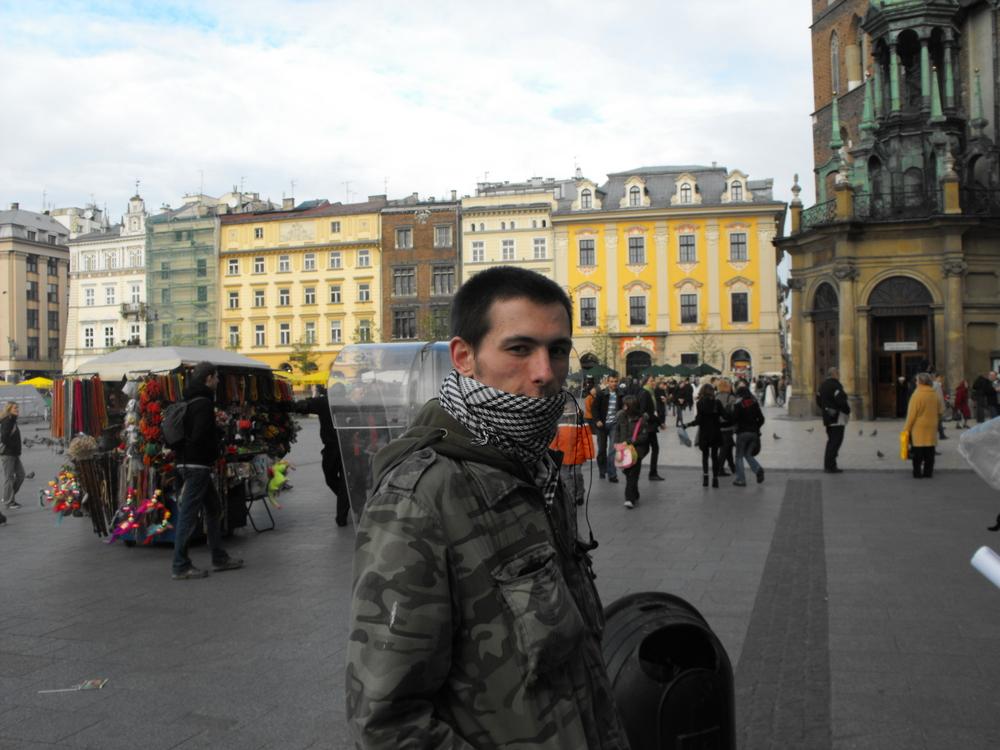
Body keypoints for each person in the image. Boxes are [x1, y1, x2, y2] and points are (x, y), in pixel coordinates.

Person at [345, 266, 629, 748]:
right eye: (519, 349)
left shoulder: (531, 464)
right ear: (464, 357)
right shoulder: (420, 498)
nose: (544, 372)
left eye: (558, 350)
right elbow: (386, 724)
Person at [171, 363, 244, 580]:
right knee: (188, 514)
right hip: (197, 465)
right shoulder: (203, 403)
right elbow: (200, 434)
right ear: (208, 378)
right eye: (216, 377)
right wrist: (217, 436)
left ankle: (219, 557)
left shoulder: (188, 399)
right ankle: (180, 565)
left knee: (213, 508)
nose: (218, 381)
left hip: (186, 463)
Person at [293, 386, 351, 526]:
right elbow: (304, 407)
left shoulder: (325, 402)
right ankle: (346, 500)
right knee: (335, 479)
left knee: (335, 478)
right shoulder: (334, 403)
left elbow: (302, 407)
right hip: (339, 446)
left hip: (338, 446)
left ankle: (342, 513)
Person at [685, 384, 728, 488]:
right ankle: (715, 479)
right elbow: (726, 416)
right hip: (716, 433)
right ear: (712, 392)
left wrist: (687, 425)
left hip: (704, 433)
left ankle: (705, 478)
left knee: (705, 456)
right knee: (714, 456)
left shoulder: (700, 403)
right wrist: (726, 422)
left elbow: (698, 420)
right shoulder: (717, 403)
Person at [903, 372, 944, 479]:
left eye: (917, 380)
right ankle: (928, 472)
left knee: (918, 452)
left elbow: (911, 415)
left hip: (919, 428)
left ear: (921, 382)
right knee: (930, 451)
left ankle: (917, 473)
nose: (916, 382)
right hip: (932, 427)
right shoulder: (934, 394)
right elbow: (940, 411)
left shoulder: (916, 395)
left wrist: (906, 429)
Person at [614, 394, 650, 510]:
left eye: (626, 405)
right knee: (627, 472)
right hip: (623, 449)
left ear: (632, 406)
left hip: (637, 450)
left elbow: (644, 437)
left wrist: (628, 441)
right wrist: (616, 443)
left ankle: (629, 499)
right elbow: (617, 430)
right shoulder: (621, 416)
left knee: (632, 474)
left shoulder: (642, 419)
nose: (623, 407)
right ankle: (635, 492)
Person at [731, 382, 766, 486]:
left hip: (742, 433)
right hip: (754, 434)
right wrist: (756, 427)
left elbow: (734, 419)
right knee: (747, 454)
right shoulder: (754, 403)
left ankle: (741, 479)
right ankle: (758, 469)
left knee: (739, 456)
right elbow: (762, 419)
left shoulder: (738, 404)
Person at [817, 367, 850, 473]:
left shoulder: (822, 385)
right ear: (834, 374)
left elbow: (818, 400)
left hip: (827, 418)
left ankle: (829, 465)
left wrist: (825, 409)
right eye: (838, 373)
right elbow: (841, 401)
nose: (839, 375)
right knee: (835, 442)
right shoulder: (836, 385)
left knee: (831, 441)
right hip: (837, 419)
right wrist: (847, 411)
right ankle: (830, 466)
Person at [0, 401, 30, 517]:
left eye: (17, 408)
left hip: (14, 454)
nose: (17, 409)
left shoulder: (12, 420)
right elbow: (4, 438)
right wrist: (13, 447)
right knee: (9, 478)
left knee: (21, 475)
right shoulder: (7, 421)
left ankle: (8, 496)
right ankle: (8, 501)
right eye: (15, 408)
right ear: (9, 409)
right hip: (8, 454)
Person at [593, 375, 621, 483]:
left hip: (614, 425)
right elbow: (594, 408)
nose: (614, 383)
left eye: (615, 381)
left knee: (612, 450)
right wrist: (597, 420)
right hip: (602, 425)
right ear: (608, 382)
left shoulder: (621, 394)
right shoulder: (601, 394)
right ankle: (602, 470)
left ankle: (612, 474)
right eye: (612, 381)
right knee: (601, 450)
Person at [638, 374, 664, 481]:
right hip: (648, 426)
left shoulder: (649, 392)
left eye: (653, 380)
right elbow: (645, 411)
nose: (654, 382)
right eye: (651, 380)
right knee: (653, 449)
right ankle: (651, 473)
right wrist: (659, 421)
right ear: (646, 382)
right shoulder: (646, 393)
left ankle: (634, 465)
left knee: (647, 449)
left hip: (650, 425)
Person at [716, 378, 737, 477]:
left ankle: (733, 467)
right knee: (724, 449)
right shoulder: (731, 397)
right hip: (728, 426)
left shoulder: (715, 396)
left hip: (718, 426)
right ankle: (719, 469)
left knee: (728, 447)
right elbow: (735, 412)